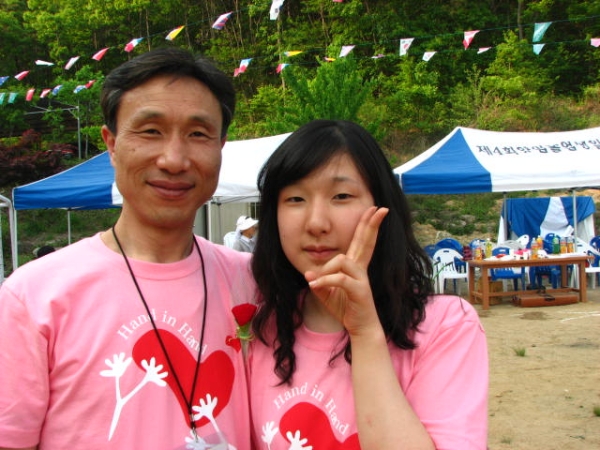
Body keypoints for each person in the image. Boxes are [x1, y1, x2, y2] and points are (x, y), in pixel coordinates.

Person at [0, 47, 256, 450]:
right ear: (112, 144)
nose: (174, 160)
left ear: (220, 146)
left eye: (198, 134)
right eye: (151, 131)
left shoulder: (255, 283)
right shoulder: (34, 295)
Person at [248, 120, 488, 449]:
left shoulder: (445, 326)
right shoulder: (260, 325)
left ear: (382, 205)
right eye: (295, 199)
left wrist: (364, 333)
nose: (316, 223)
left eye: (341, 196)